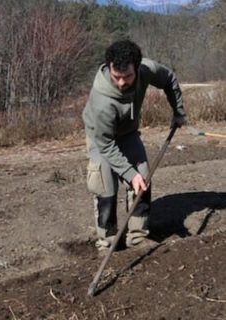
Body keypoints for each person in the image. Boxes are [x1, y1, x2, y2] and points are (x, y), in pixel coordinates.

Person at [82, 40, 187, 250]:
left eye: (127, 77)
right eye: (116, 77)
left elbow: (169, 80)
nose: (121, 83)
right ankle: (107, 242)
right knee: (105, 185)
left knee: (143, 177)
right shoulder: (102, 100)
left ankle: (137, 236)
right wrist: (129, 174)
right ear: (109, 67)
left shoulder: (147, 69)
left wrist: (178, 112)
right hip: (102, 138)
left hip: (128, 133)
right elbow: (106, 146)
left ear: (137, 69)